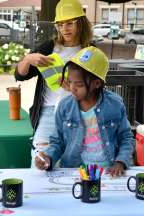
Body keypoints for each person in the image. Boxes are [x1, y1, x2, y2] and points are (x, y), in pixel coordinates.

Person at [35, 46, 134, 177]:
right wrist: (49, 157)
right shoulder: (65, 106)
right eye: (70, 82)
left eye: (79, 84)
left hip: (108, 172)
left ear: (97, 83)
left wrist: (120, 162)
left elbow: (126, 138)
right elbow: (57, 141)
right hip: (74, 172)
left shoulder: (115, 104)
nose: (72, 88)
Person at [14, 0, 93, 167]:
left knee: (75, 164)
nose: (65, 29)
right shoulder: (49, 47)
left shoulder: (90, 51)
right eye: (61, 24)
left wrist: (73, 88)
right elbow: (20, 75)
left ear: (80, 23)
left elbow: (97, 89)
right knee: (41, 162)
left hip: (80, 113)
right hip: (49, 112)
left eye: (70, 23)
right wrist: (28, 59)